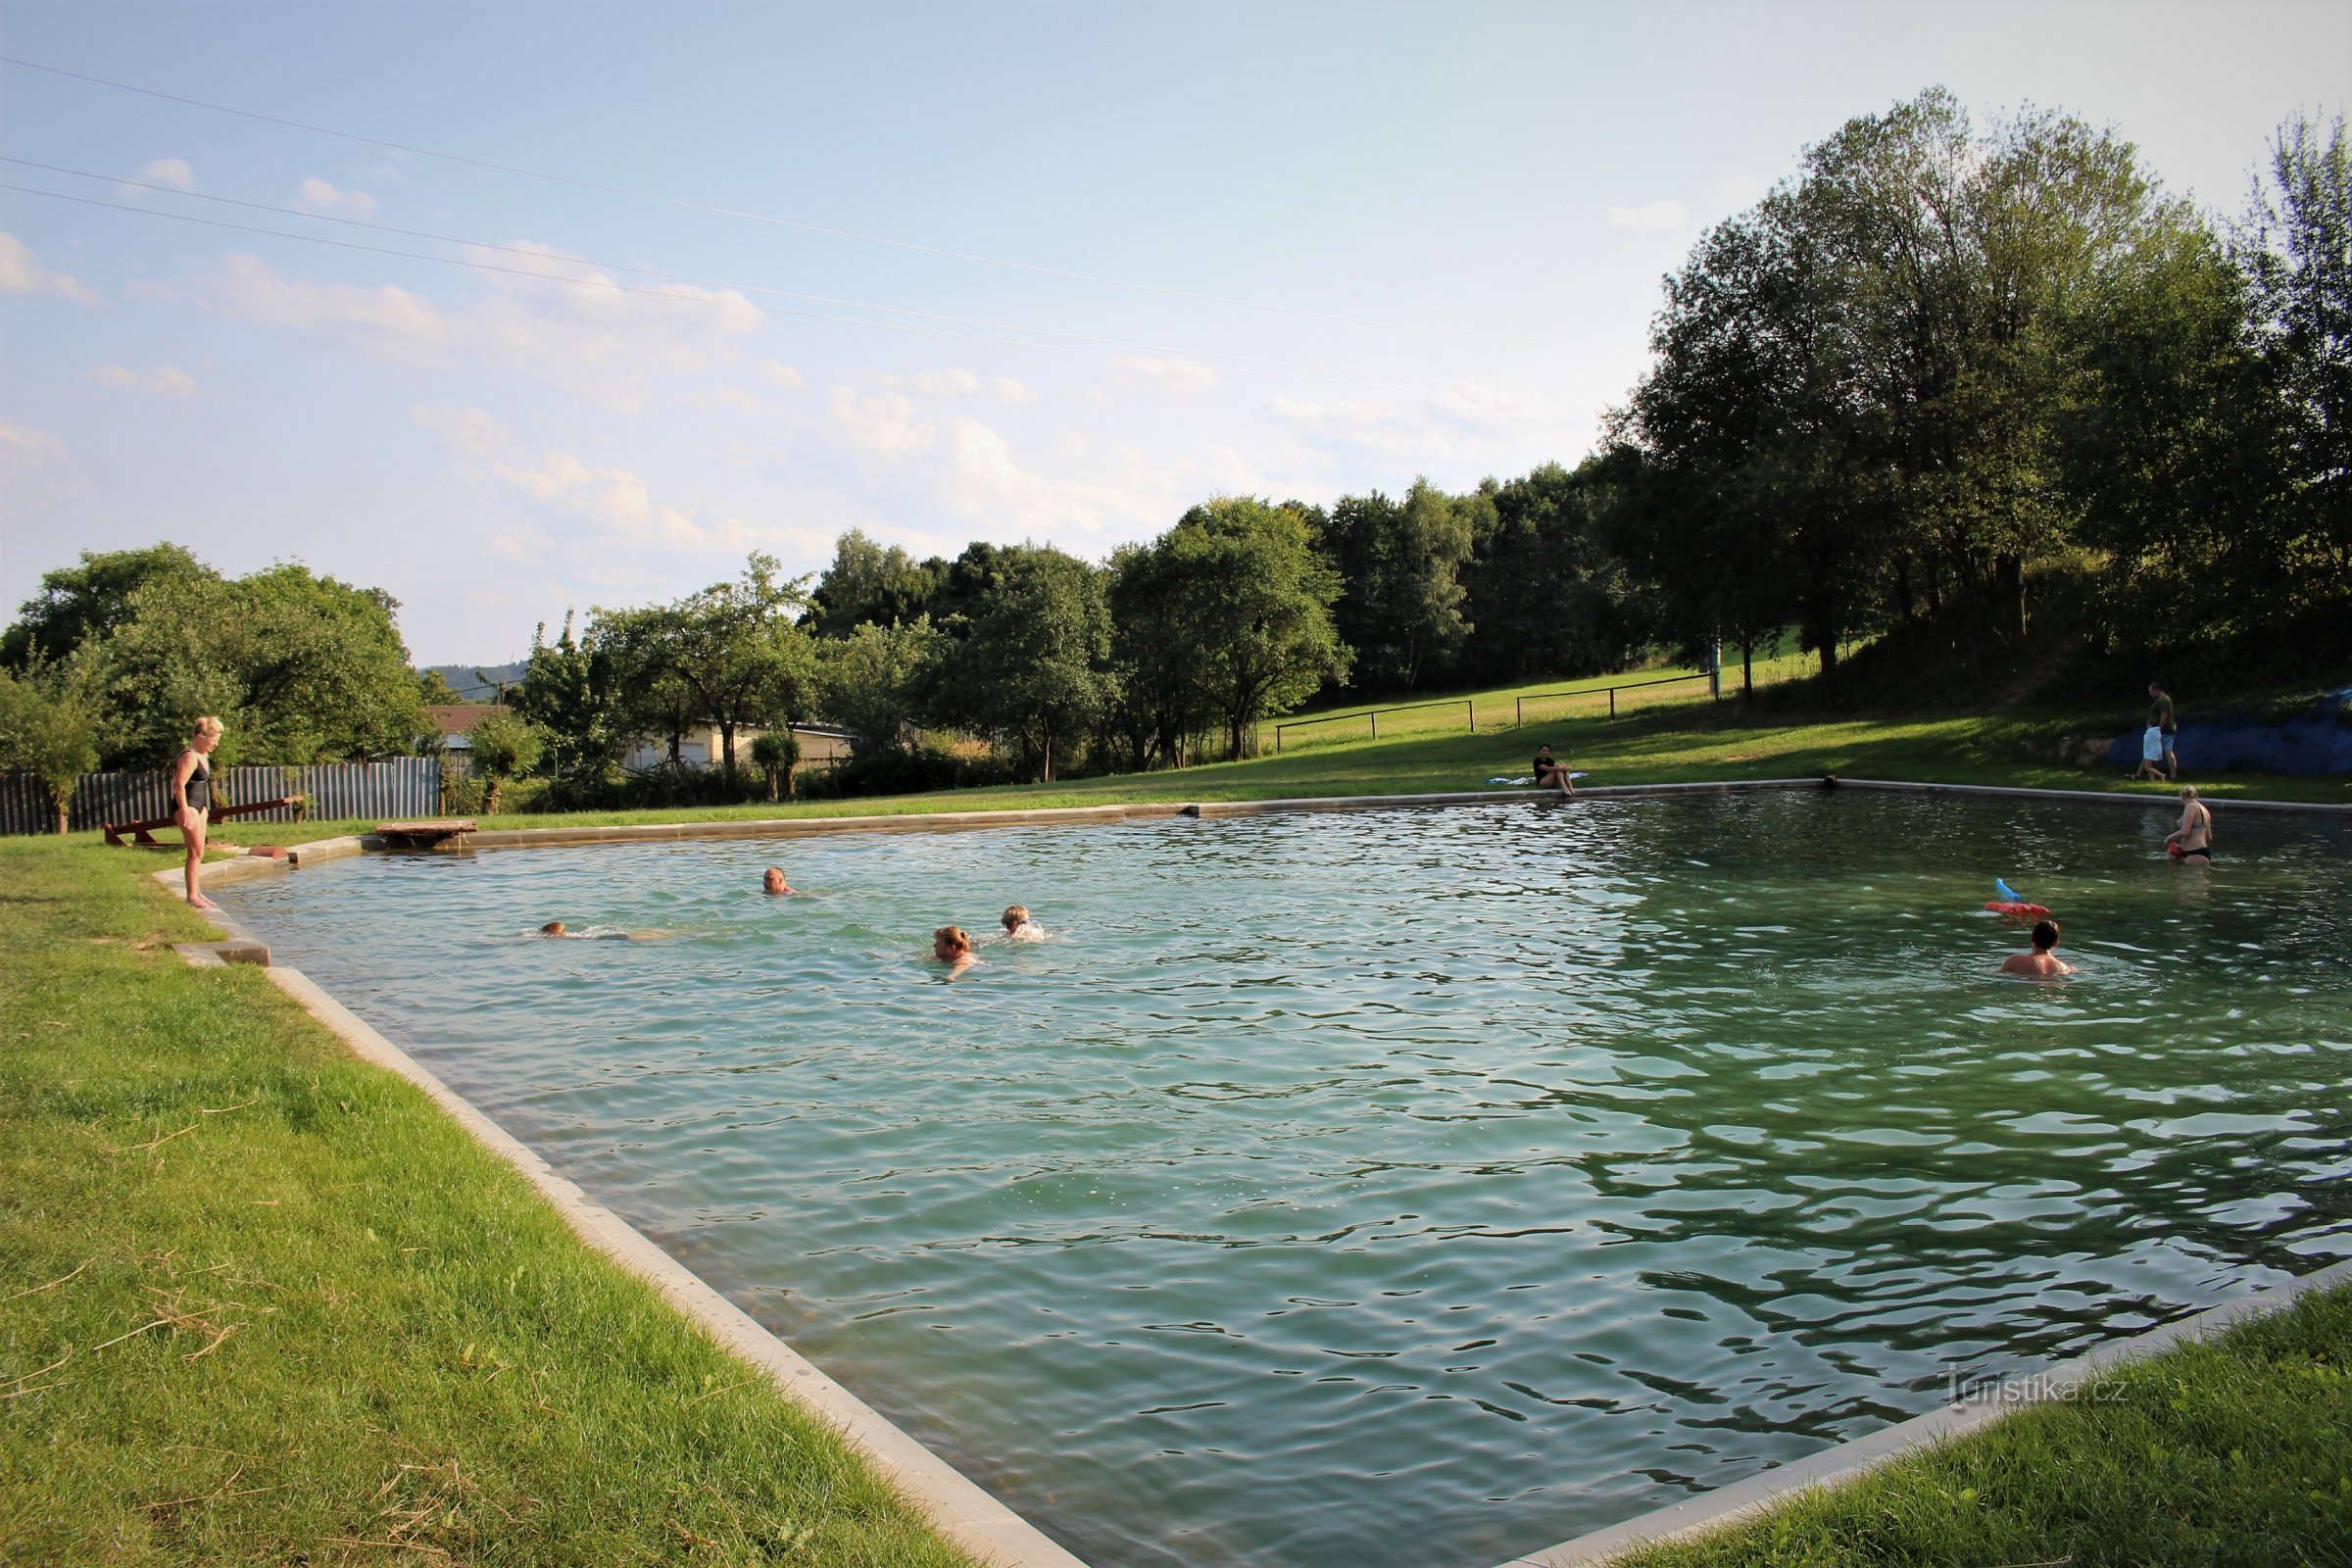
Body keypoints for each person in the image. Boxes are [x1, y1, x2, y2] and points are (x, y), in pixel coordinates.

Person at [172, 715, 225, 909]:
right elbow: (178, 784)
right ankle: (192, 896)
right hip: (188, 806)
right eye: (214, 740)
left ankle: (197, 892)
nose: (215, 745)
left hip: (200, 806)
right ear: (201, 736)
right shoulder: (190, 756)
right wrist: (185, 810)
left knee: (200, 851)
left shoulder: (203, 756)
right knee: (194, 851)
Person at [2000, 918, 2075, 977]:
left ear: (2032, 938)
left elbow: (1999, 976)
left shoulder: (2015, 960)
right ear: (2056, 943)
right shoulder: (2065, 967)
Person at [2166, 785, 2214, 864]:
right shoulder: (2205, 810)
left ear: (2183, 796)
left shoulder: (2190, 807)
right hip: (2202, 852)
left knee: (2183, 875)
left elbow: (2185, 832)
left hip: (2194, 853)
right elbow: (2209, 838)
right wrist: (2182, 845)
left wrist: (2169, 838)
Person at [2148, 682, 2179, 781]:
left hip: (2163, 731)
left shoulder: (2163, 700)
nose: (2150, 694)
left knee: (2149, 753)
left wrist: (2159, 729)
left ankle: (2145, 775)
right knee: (2168, 752)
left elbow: (2164, 715)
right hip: (2167, 730)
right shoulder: (2164, 699)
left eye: (2151, 691)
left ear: (2156, 690)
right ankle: (2173, 775)